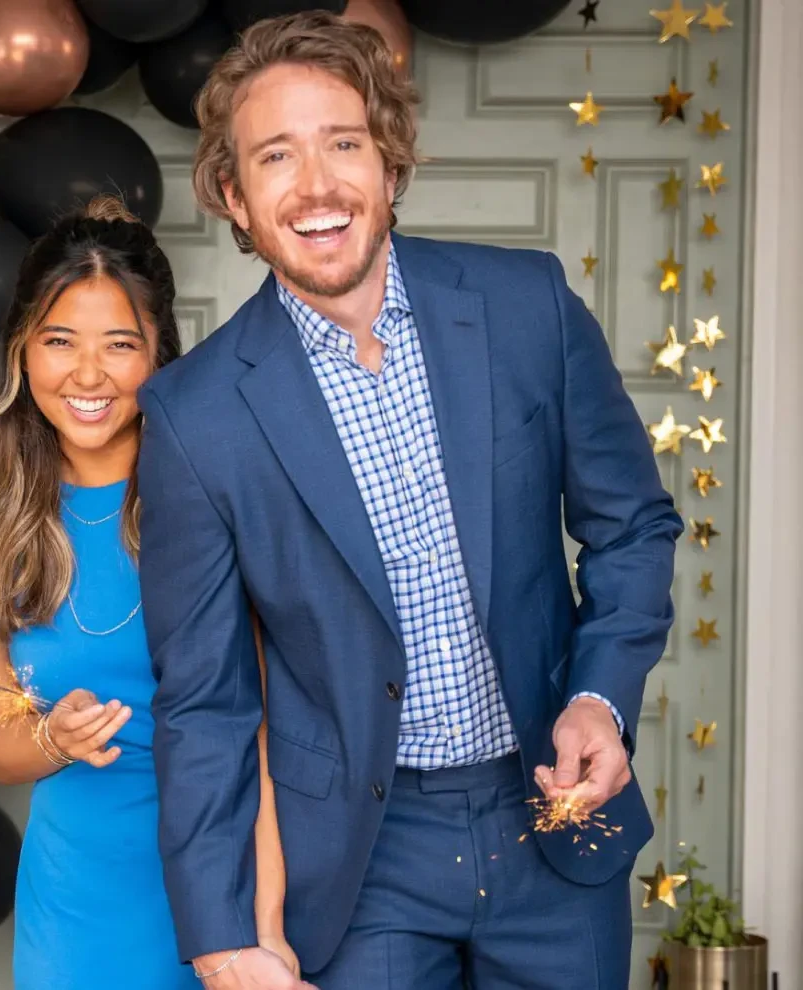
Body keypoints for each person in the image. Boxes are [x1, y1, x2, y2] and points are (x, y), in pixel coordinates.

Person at [136, 11, 684, 990]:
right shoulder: (192, 413)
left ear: (390, 163)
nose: (316, 187)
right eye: (275, 157)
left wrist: (600, 695)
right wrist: (221, 931)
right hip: (359, 857)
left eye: (344, 143)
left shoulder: (528, 305)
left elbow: (631, 524)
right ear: (233, 194)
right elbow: (205, 701)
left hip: (557, 816)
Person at [0, 196, 298, 989]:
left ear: (160, 354)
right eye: (59, 341)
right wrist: (52, 741)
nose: (87, 375)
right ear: (24, 353)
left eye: (119, 344)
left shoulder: (221, 510)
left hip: (228, 889)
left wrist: (265, 925)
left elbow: (269, 736)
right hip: (77, 914)